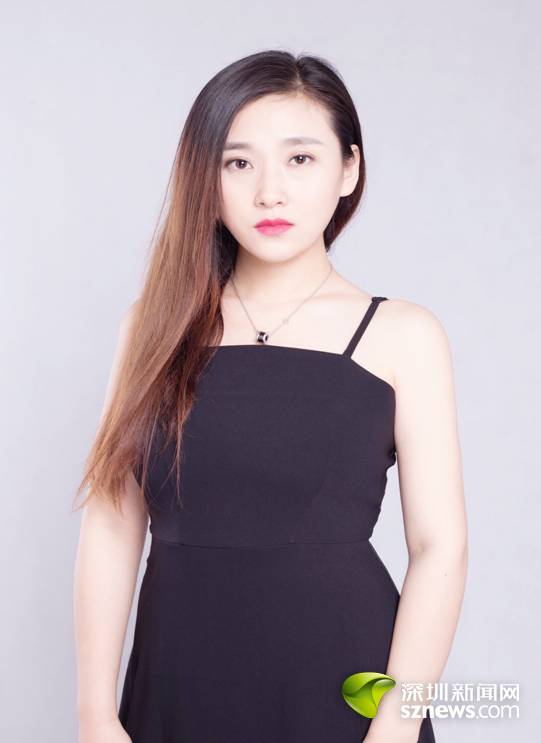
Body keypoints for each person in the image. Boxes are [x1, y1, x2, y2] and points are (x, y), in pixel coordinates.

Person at [73, 49, 467, 743]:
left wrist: (396, 724)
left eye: (299, 159)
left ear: (348, 169)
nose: (269, 193)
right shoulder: (153, 328)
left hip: (343, 690)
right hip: (176, 687)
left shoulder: (403, 334)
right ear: (206, 176)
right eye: (238, 162)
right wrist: (96, 715)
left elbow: (440, 546)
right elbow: (111, 520)